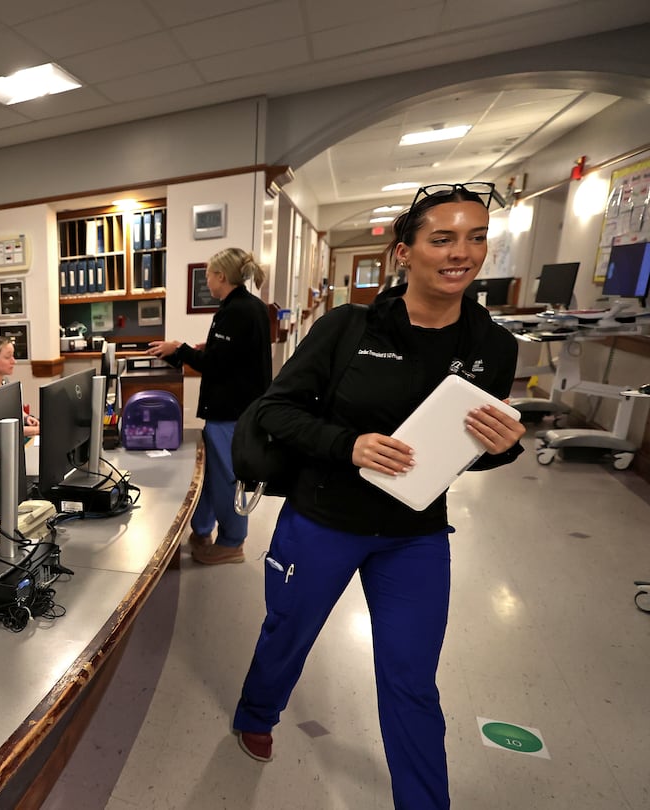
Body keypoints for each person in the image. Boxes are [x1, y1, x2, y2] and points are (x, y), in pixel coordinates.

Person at [229, 182, 526, 810]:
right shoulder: (347, 327)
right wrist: (349, 445)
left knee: (412, 680)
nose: (460, 253)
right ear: (404, 253)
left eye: (475, 238)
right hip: (323, 522)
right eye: (442, 238)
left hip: (414, 537)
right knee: (287, 632)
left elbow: (469, 450)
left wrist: (502, 445)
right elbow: (275, 411)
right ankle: (257, 712)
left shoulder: (492, 347)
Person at [147, 246, 272, 565]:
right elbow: (235, 354)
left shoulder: (236, 311)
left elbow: (217, 365)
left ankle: (232, 542)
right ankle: (202, 529)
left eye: (208, 276)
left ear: (221, 276)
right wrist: (200, 348)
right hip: (239, 407)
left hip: (231, 412)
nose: (207, 281)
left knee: (226, 478)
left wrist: (181, 348)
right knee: (211, 475)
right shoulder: (250, 306)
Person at [0, 336, 39, 436]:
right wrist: (35, 430)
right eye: (8, 357)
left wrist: (26, 417)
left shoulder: (4, 381)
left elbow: (10, 409)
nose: (14, 361)